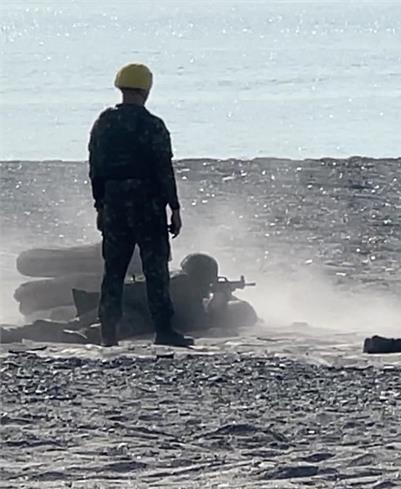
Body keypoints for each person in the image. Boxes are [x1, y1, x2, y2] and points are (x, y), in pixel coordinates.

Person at [90, 63, 191, 347]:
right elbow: (163, 169)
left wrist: (100, 206)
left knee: (113, 270)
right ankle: (164, 330)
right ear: (146, 90)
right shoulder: (153, 125)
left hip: (113, 203)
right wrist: (175, 208)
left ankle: (108, 332)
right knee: (155, 268)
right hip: (147, 204)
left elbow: (95, 167)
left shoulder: (103, 122)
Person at [0, 254, 257, 345]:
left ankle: (17, 333)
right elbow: (197, 322)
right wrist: (221, 299)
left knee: (75, 327)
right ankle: (14, 335)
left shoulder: (177, 279)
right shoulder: (186, 287)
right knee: (86, 335)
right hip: (130, 311)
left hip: (116, 301)